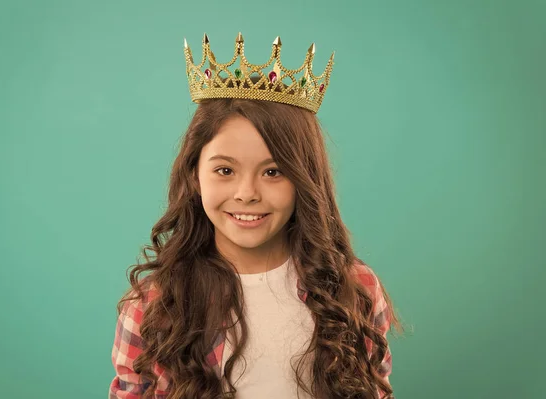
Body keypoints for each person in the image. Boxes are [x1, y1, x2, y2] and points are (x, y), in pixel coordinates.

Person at [109, 32, 402, 399]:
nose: (246, 193)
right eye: (225, 171)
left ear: (304, 180)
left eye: (273, 171)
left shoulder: (354, 290)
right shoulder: (154, 305)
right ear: (193, 174)